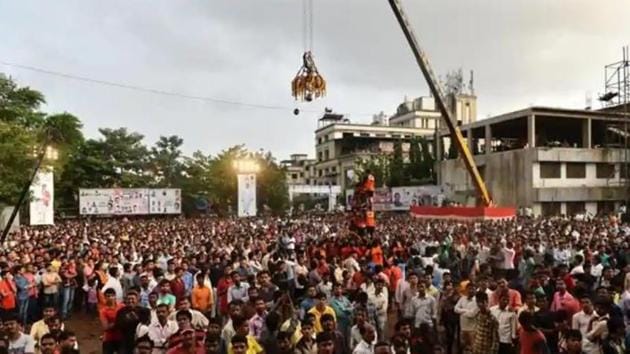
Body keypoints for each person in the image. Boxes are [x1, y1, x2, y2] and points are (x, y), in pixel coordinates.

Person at [100, 288, 123, 354]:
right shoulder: (103, 311)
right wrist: (119, 321)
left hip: (121, 337)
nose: (110, 298)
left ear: (115, 296)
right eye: (108, 296)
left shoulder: (122, 306)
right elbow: (105, 327)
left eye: (112, 295)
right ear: (105, 298)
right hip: (109, 339)